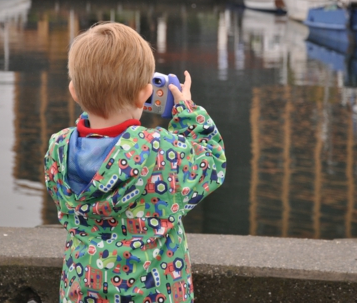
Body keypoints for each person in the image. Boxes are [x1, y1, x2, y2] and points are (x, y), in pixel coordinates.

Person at [44, 22, 226, 303]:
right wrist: (186, 111)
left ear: (74, 91)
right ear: (145, 93)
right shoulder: (160, 151)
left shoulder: (59, 149)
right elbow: (211, 162)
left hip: (83, 291)